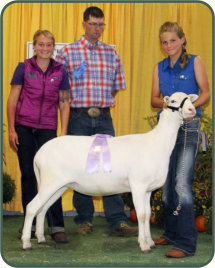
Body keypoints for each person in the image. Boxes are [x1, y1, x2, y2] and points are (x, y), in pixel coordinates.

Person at [56, 6, 138, 236]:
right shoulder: (68, 53)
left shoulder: (112, 53)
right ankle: (84, 218)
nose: (97, 29)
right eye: (93, 24)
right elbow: (61, 91)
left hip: (102, 117)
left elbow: (115, 88)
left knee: (110, 166)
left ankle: (117, 221)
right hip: (78, 116)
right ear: (83, 24)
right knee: (81, 166)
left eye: (101, 24)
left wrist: (100, 105)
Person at [151, 21, 210, 258]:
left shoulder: (195, 61)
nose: (168, 45)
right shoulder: (159, 67)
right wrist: (166, 104)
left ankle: (186, 242)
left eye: (173, 40)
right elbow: (154, 99)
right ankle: (172, 233)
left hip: (188, 127)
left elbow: (205, 93)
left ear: (182, 40)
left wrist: (187, 107)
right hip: (165, 130)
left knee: (181, 184)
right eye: (164, 42)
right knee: (166, 186)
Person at [7, 29, 71, 243]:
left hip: (48, 130)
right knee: (27, 176)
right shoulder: (23, 67)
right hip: (24, 127)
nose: (45, 48)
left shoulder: (60, 70)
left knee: (53, 178)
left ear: (54, 48)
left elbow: (63, 102)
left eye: (49, 45)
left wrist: (62, 133)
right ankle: (31, 224)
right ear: (35, 46)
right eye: (41, 44)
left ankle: (56, 226)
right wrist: (13, 129)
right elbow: (12, 99)